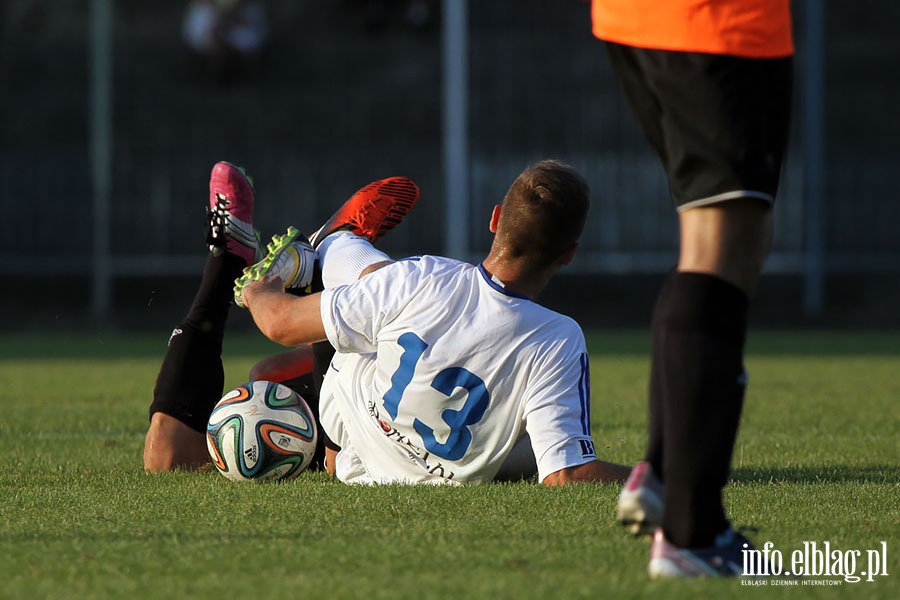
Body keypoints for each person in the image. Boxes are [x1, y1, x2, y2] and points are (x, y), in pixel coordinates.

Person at [144, 159, 630, 486]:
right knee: (275, 370)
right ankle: (326, 252)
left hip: (349, 427)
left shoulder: (425, 277)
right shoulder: (559, 338)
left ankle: (316, 252)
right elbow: (566, 474)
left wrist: (258, 288)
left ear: (495, 218)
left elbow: (279, 322)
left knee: (169, 457)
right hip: (365, 456)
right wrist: (664, 475)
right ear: (569, 255)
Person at [589, 0, 794, 578]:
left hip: (646, 21)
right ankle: (692, 533)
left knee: (724, 236)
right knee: (720, 246)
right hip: (713, 25)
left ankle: (661, 471)